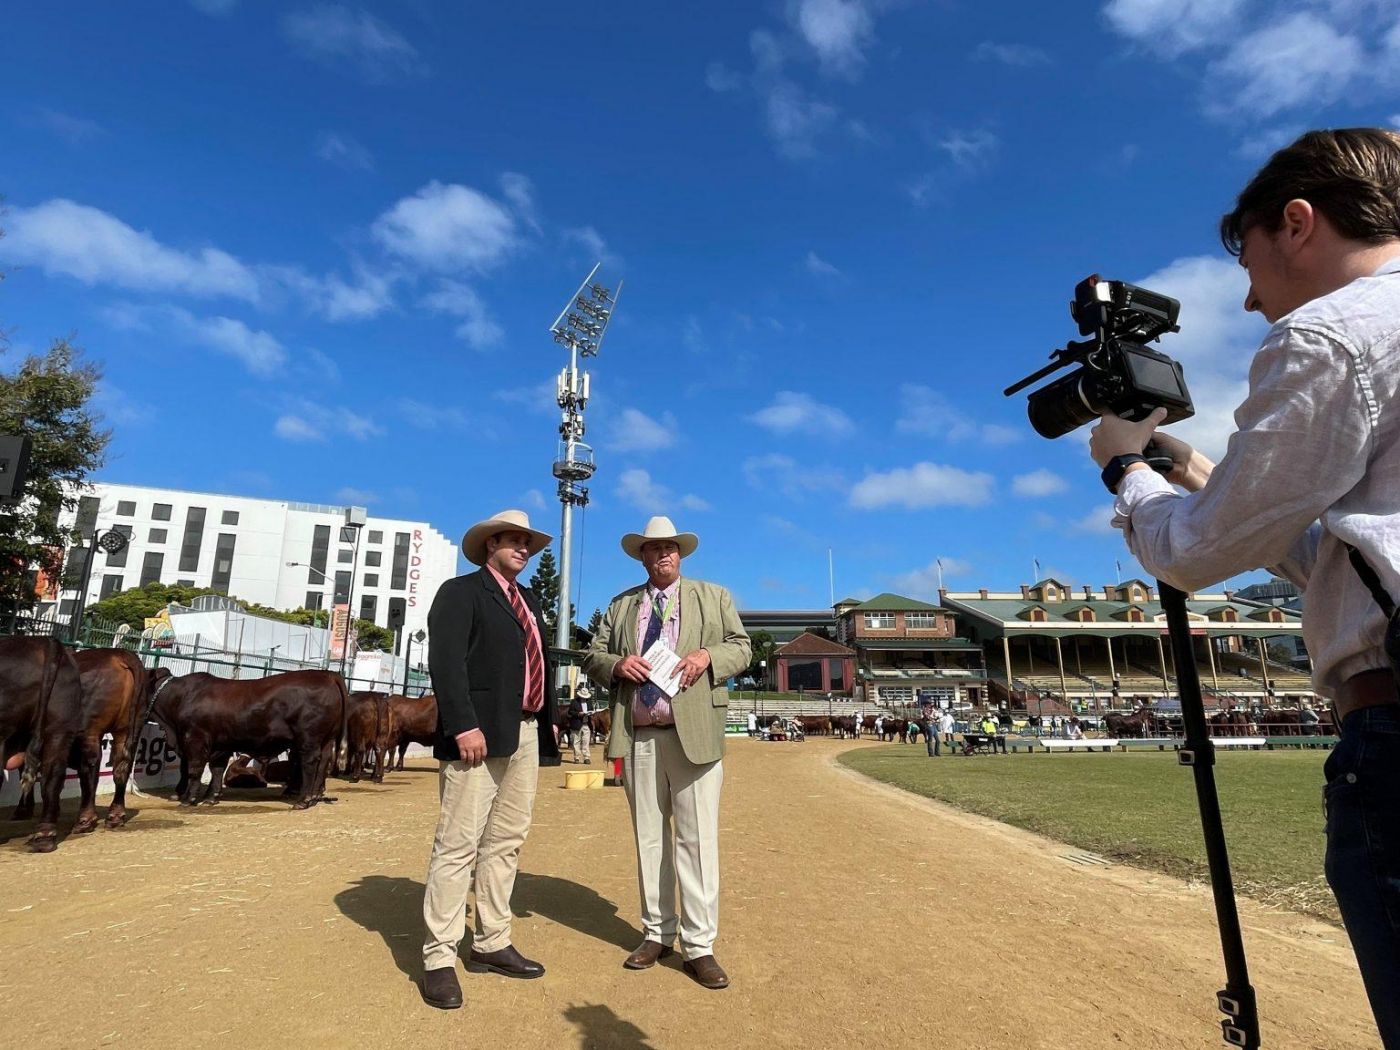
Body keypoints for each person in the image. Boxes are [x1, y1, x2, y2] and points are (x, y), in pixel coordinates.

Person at [1087, 128, 1400, 1046]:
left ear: (1297, 222)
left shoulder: (1336, 332)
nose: (1254, 298)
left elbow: (1190, 557)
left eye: (1255, 264)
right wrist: (1186, 463)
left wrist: (1122, 470)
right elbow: (1345, 554)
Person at [582, 516, 751, 990]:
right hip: (638, 735)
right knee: (649, 838)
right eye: (654, 549)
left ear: (681, 554)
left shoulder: (714, 597)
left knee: (696, 842)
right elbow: (592, 655)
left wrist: (708, 656)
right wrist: (617, 664)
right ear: (642, 556)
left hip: (693, 732)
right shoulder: (620, 606)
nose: (663, 556)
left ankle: (700, 946)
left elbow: (743, 647)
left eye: (670, 548)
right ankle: (657, 933)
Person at [419, 509, 562, 1010]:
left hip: (524, 731)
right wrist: (462, 723)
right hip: (476, 734)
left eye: (528, 543)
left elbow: (533, 664)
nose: (524, 548)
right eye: (514, 541)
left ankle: (491, 940)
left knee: (506, 840)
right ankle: (439, 956)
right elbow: (446, 662)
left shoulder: (530, 601)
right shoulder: (460, 593)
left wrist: (549, 716)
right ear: (489, 545)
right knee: (458, 843)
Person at [568, 685, 594, 764]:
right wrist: (578, 714)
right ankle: (577, 757)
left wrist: (591, 713)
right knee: (576, 741)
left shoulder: (589, 702)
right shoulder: (574, 702)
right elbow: (570, 712)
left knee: (586, 741)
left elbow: (591, 710)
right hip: (577, 723)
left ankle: (586, 757)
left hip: (586, 723)